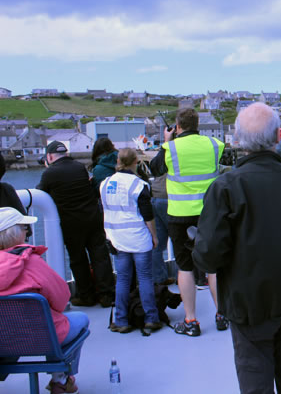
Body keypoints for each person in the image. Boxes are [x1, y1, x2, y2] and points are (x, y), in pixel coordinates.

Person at [193, 103, 281, 393]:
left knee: (255, 381)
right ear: (279, 134)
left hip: (248, 305)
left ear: (237, 139)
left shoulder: (226, 187)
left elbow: (208, 256)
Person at [149, 108, 226, 336]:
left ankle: (191, 321)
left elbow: (155, 169)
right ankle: (222, 315)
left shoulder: (170, 148)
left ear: (177, 125)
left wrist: (166, 140)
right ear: (197, 124)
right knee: (213, 265)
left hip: (180, 214)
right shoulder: (214, 145)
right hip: (209, 213)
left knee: (185, 266)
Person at [0, 206, 90, 394]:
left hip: (3, 340)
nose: (27, 232)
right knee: (79, 320)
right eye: (25, 228)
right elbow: (61, 298)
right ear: (14, 234)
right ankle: (61, 380)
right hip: (40, 337)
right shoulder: (31, 262)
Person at [37, 141, 114, 308]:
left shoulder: (50, 173)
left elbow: (39, 193)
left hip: (71, 223)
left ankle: (86, 296)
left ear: (49, 157)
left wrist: (47, 170)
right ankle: (107, 295)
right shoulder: (79, 167)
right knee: (100, 256)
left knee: (78, 259)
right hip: (93, 218)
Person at [101, 148, 162, 333]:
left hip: (116, 237)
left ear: (118, 161)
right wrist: (154, 236)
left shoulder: (105, 183)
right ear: (136, 162)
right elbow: (147, 214)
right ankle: (151, 318)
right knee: (144, 277)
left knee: (122, 279)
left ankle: (121, 320)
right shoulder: (139, 185)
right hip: (138, 236)